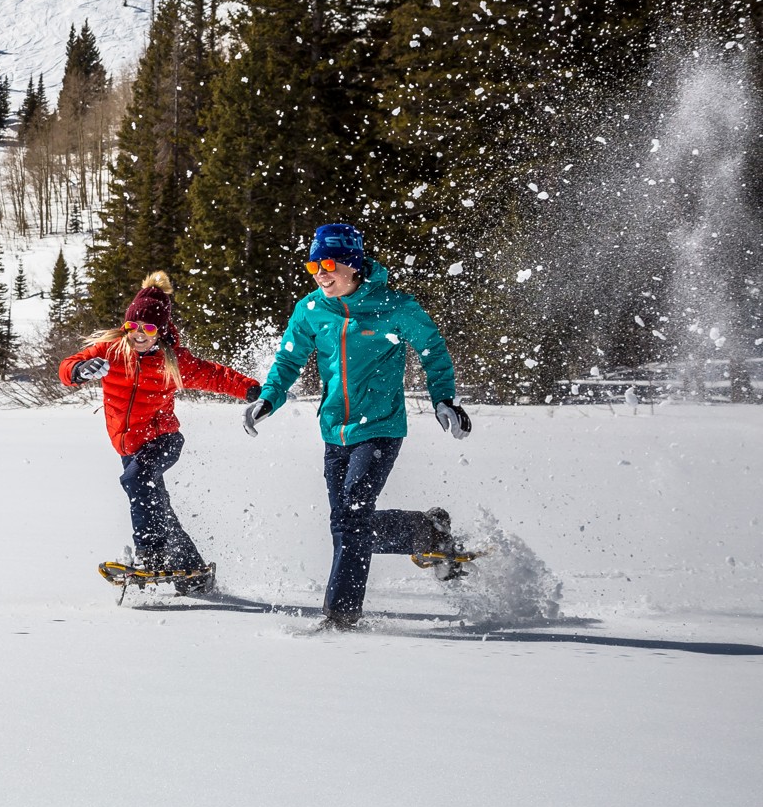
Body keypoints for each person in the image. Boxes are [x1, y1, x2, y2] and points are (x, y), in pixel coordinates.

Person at [242, 223, 472, 631]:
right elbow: (289, 359)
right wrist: (269, 397)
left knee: (351, 516)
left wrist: (443, 399)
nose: (320, 273)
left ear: (353, 264)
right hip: (335, 429)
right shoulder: (312, 309)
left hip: (381, 427)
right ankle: (424, 529)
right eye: (313, 265)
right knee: (347, 522)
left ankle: (341, 615)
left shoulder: (393, 305)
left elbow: (432, 349)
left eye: (328, 263)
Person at [61, 271, 261, 594]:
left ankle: (150, 555)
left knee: (138, 481)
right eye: (133, 327)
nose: (139, 335)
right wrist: (79, 371)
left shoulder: (172, 362)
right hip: (129, 447)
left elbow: (215, 376)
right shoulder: (110, 352)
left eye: (149, 328)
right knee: (157, 505)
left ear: (162, 331)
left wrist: (249, 389)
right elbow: (68, 366)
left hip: (163, 440)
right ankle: (194, 571)